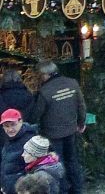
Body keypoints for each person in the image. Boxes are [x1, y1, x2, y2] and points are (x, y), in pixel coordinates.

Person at [29, 61, 83, 194]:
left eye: (40, 75)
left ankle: (63, 190)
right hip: (71, 130)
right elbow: (81, 105)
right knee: (72, 160)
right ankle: (77, 189)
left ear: (46, 74)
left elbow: (37, 114)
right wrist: (81, 123)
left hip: (53, 134)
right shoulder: (73, 83)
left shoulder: (45, 91)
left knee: (58, 163)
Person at [1, 109, 36, 194]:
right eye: (6, 126)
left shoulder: (30, 141)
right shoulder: (10, 139)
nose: (10, 129)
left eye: (13, 125)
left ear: (20, 121)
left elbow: (33, 170)